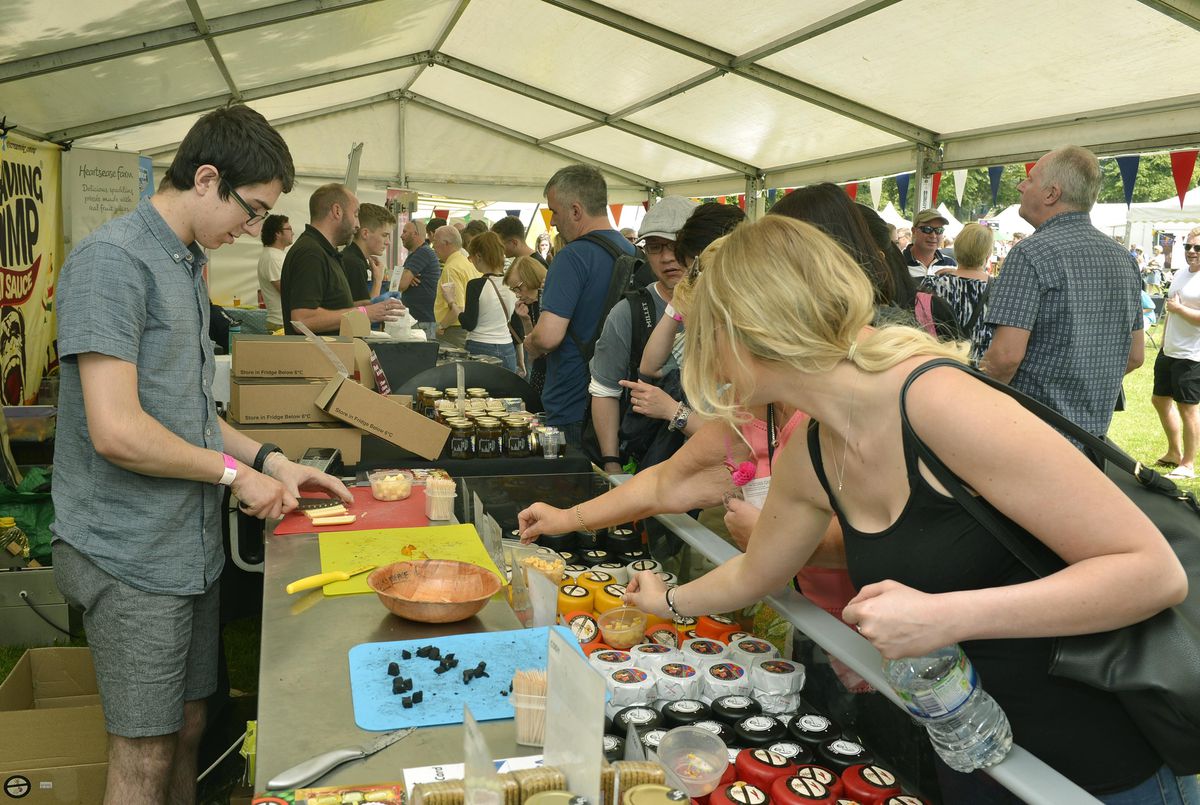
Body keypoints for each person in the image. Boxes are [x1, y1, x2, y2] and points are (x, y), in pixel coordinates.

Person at [619, 214, 1192, 803]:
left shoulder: (938, 402)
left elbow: (1151, 572)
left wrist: (945, 616)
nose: (702, 358)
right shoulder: (811, 446)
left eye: (706, 333)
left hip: (1098, 769)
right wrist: (665, 600)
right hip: (974, 753)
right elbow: (756, 570)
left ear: (754, 330)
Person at [51, 105, 354, 805]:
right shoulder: (111, 262)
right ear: (207, 177)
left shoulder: (185, 262)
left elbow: (190, 413)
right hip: (130, 555)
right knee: (143, 748)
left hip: (185, 549)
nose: (251, 229)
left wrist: (273, 461)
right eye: (250, 211)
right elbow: (117, 428)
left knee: (189, 723)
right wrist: (232, 475)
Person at [980, 145, 1144, 439]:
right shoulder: (1124, 259)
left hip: (1030, 434)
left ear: (1051, 194)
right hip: (1093, 440)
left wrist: (972, 401)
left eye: (1029, 179)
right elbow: (1135, 356)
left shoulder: (1031, 253)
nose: (1020, 185)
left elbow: (1004, 357)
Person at [526, 165, 635, 448]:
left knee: (570, 490)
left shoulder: (572, 257)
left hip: (572, 402)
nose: (553, 222)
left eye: (555, 212)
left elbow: (549, 335)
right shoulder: (634, 252)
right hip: (619, 402)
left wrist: (531, 343)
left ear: (576, 211)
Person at [589, 196, 697, 474]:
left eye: (677, 246)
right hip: (649, 465)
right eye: (655, 247)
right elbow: (605, 390)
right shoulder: (629, 312)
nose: (666, 257)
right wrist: (612, 463)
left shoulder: (732, 309)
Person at [280, 184, 404, 334]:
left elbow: (333, 306)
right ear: (337, 211)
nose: (358, 225)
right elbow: (302, 320)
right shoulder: (311, 253)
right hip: (315, 356)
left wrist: (370, 304)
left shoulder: (327, 253)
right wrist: (366, 312)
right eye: (356, 214)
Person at [1151, 225, 1200, 479]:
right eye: (1188, 247)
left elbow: (1177, 308)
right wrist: (1162, 340)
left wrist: (1180, 311)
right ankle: (1174, 452)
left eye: (1197, 248)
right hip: (1169, 350)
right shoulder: (1182, 273)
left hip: (1192, 355)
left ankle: (1188, 464)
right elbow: (1171, 308)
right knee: (1159, 400)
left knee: (1187, 407)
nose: (1192, 252)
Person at [920, 222, 993, 362]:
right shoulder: (1001, 290)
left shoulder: (931, 284)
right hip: (981, 374)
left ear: (957, 249)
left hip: (939, 367)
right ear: (988, 254)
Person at [448, 231, 521, 372]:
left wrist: (452, 303)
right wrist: (520, 357)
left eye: (471, 257)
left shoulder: (476, 285)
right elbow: (517, 324)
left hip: (480, 346)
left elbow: (469, 324)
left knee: (479, 392)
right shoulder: (512, 284)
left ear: (479, 256)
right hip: (507, 347)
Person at [507, 255, 549, 402]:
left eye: (519, 288)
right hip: (540, 372)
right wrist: (525, 321)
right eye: (514, 290)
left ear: (531, 278)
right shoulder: (531, 305)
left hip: (553, 374)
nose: (518, 295)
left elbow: (539, 348)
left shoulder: (550, 303)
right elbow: (533, 352)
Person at [432, 224, 480, 348]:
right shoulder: (467, 262)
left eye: (435, 242)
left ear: (446, 243)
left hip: (453, 330)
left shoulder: (451, 268)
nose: (433, 246)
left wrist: (441, 326)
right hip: (468, 327)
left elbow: (458, 308)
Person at [339, 202, 396, 303]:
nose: (388, 242)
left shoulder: (351, 257)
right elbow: (364, 314)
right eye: (384, 235)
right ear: (365, 233)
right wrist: (377, 280)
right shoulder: (354, 264)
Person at [397, 218, 441, 340]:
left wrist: (404, 277)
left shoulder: (422, 253)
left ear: (415, 234)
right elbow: (400, 281)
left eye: (405, 232)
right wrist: (405, 276)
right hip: (420, 320)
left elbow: (400, 285)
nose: (401, 236)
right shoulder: (416, 254)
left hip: (422, 322)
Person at [256, 214, 292, 331]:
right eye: (289, 229)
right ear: (277, 233)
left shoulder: (275, 255)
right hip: (280, 323)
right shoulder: (273, 257)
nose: (293, 233)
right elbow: (286, 291)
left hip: (282, 322)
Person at [903, 209, 957, 278]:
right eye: (927, 229)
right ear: (914, 231)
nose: (933, 235)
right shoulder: (898, 262)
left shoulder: (950, 264)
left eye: (939, 230)